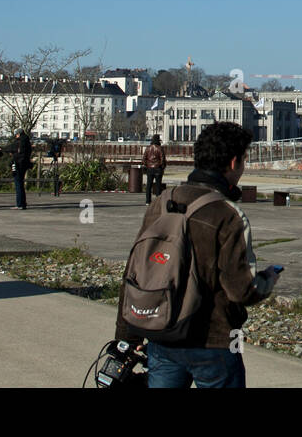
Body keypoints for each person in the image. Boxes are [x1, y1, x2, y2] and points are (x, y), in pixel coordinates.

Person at [116, 121, 280, 388]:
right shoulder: (228, 214)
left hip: (162, 332)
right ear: (234, 162)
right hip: (212, 341)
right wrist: (268, 280)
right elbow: (241, 291)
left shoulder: (163, 202)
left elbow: (134, 271)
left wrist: (126, 337)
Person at [11, 129, 33, 210]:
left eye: (16, 134)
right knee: (21, 183)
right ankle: (22, 203)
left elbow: (13, 148)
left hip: (18, 164)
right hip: (24, 164)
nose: (16, 136)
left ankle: (19, 203)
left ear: (19, 134)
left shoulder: (19, 142)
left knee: (18, 184)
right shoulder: (27, 141)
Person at [143, 133, 167, 204]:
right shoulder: (160, 148)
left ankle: (148, 201)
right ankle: (157, 201)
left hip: (150, 168)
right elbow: (162, 159)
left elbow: (144, 159)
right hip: (158, 168)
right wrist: (162, 167)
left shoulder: (148, 148)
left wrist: (147, 165)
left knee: (149, 185)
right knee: (158, 186)